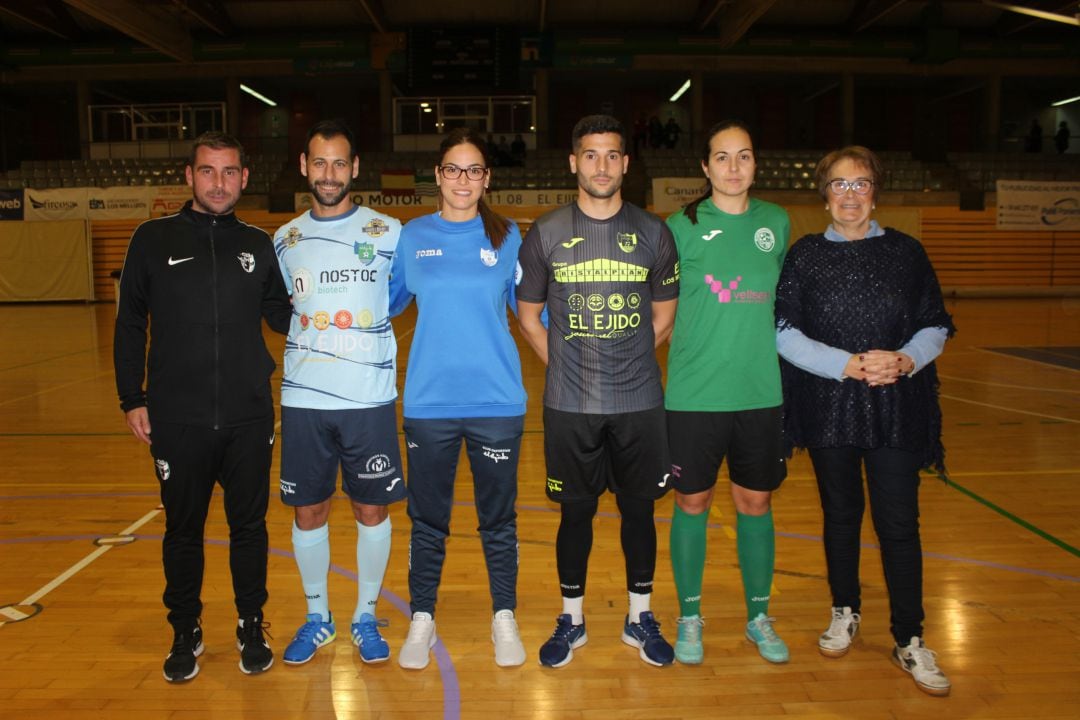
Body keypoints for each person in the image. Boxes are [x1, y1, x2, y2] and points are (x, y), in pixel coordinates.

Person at [774, 145, 955, 696]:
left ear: (875, 190)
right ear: (824, 194)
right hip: (830, 404)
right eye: (838, 185)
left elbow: (935, 323)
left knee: (899, 524)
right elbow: (782, 329)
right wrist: (845, 365)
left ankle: (910, 637)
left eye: (860, 184)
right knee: (841, 513)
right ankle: (844, 608)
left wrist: (905, 359)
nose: (849, 195)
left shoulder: (906, 252)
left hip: (897, 403)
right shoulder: (804, 255)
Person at [114, 131, 291, 682]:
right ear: (189, 176)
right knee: (183, 531)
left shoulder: (259, 245)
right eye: (208, 171)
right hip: (178, 416)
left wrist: (336, 300)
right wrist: (132, 397)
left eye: (230, 172)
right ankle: (184, 629)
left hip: (247, 415)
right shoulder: (150, 238)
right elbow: (129, 323)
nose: (220, 182)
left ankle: (250, 621)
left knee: (249, 528)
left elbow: (284, 317)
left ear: (243, 177)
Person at [517, 114, 680, 668]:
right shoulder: (545, 233)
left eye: (612, 155)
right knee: (575, 516)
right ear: (573, 162)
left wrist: (625, 363)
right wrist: (569, 365)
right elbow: (529, 316)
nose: (602, 165)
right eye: (591, 155)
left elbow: (664, 318)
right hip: (570, 406)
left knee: (640, 513)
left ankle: (639, 619)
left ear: (626, 164)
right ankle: (573, 620)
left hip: (639, 405)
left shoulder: (655, 233)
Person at [388, 128, 528, 670]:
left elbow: (530, 313)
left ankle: (504, 615)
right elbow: (387, 304)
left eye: (474, 170)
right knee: (427, 519)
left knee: (499, 519)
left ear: (486, 178)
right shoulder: (411, 236)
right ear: (438, 176)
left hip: (497, 403)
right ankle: (422, 615)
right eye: (453, 169)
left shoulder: (509, 236)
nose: (463, 179)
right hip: (429, 404)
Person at [271, 120, 405, 666]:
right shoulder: (284, 240)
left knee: (372, 511)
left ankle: (366, 616)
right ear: (305, 166)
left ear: (355, 169)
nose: (330, 174)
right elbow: (280, 311)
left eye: (340, 164)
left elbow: (398, 300)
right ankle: (317, 617)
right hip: (303, 399)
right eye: (319, 163)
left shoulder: (389, 232)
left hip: (369, 397)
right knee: (309, 512)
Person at [663, 120, 791, 665]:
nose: (734, 167)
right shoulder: (679, 227)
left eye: (744, 156)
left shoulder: (777, 223)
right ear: (705, 167)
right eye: (722, 157)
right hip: (693, 395)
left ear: (755, 163)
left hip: (760, 392)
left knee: (755, 502)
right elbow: (659, 312)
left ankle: (758, 616)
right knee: (692, 501)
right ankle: (689, 616)